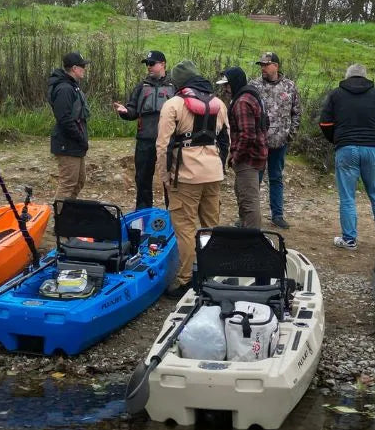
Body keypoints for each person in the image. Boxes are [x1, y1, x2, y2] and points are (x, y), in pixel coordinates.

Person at [155, 60, 230, 297]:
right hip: (213, 172)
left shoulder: (173, 104)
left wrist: (164, 176)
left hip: (186, 175)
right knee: (210, 226)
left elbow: (162, 145)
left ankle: (185, 279)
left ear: (178, 82)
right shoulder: (218, 103)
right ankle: (210, 273)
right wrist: (223, 169)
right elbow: (226, 140)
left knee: (185, 228)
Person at [318, 63, 375, 249]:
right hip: (373, 149)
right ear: (365, 76)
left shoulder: (336, 94)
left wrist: (337, 139)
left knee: (347, 197)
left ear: (347, 76)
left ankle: (349, 239)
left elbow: (325, 123)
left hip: (346, 148)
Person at [113, 50, 175, 209]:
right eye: (147, 64)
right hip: (145, 140)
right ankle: (144, 213)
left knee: (170, 179)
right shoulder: (141, 87)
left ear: (163, 64)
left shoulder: (174, 86)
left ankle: (173, 216)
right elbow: (132, 110)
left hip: (168, 141)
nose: (149, 67)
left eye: (152, 63)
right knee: (142, 180)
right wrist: (125, 112)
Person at [248, 51, 301, 230]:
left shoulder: (290, 86)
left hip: (280, 142)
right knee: (255, 180)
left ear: (276, 66)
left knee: (276, 178)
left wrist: (290, 134)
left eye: (266, 64)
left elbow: (296, 112)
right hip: (259, 143)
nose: (263, 68)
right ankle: (248, 216)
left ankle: (277, 215)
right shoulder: (254, 86)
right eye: (261, 65)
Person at [216, 66, 267, 229]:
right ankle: (248, 234)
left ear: (235, 83)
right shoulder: (250, 96)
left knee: (249, 202)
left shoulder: (242, 102)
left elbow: (247, 135)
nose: (225, 89)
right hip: (255, 156)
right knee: (245, 197)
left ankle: (252, 241)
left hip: (247, 159)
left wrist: (235, 156)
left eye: (227, 85)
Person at [48, 51, 90, 200]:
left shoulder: (72, 86)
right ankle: (61, 219)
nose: (84, 69)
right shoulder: (65, 89)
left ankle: (69, 213)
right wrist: (80, 138)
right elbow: (64, 119)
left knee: (79, 181)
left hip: (75, 143)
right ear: (74, 68)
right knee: (68, 184)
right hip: (67, 143)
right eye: (82, 66)